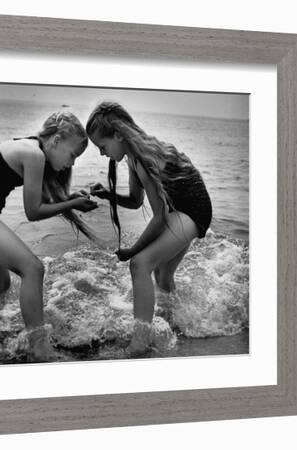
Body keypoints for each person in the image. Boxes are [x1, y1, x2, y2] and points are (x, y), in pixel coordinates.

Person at [0, 111, 99, 361]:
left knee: (1, 286)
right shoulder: (33, 155)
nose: (72, 163)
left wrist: (74, 197)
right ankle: (39, 346)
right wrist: (70, 205)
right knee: (33, 268)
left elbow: (44, 200)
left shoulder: (35, 149)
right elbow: (34, 212)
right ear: (56, 140)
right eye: (73, 154)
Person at [85, 101, 212, 355]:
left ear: (118, 135)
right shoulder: (133, 158)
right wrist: (109, 195)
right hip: (180, 209)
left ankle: (140, 342)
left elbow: (160, 218)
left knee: (140, 264)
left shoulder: (143, 159)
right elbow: (135, 201)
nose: (101, 154)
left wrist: (133, 250)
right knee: (162, 275)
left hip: (192, 210)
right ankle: (177, 321)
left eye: (102, 146)